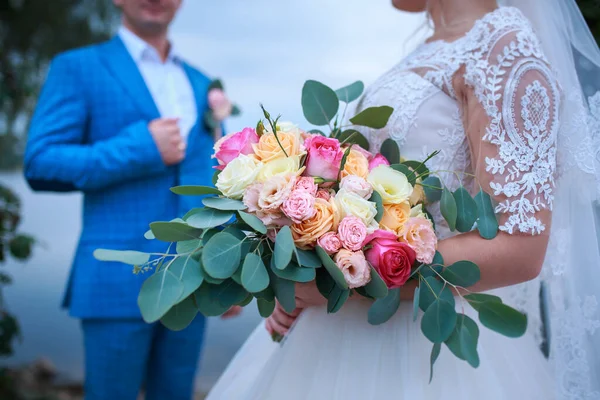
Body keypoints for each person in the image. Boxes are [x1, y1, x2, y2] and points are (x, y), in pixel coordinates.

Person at [206, 0, 600, 399]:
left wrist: (345, 283)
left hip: (427, 346)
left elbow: (520, 248)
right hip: (338, 331)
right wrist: (311, 264)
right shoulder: (428, 48)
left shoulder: (506, 52)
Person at [23, 0, 240, 399]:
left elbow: (217, 179)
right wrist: (139, 147)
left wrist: (227, 269)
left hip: (194, 281)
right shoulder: (78, 67)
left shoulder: (202, 83)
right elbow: (40, 162)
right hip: (115, 279)